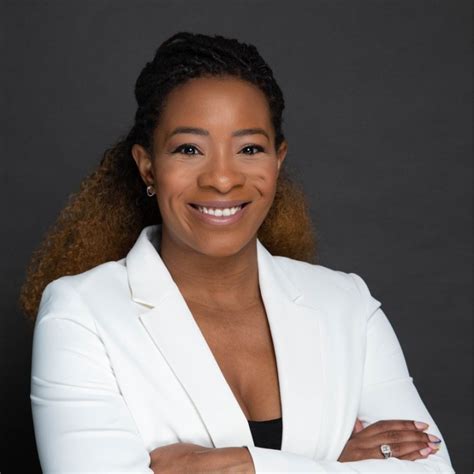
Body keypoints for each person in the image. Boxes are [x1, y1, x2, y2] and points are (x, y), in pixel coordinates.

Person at [20, 32, 455, 473]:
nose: (223, 179)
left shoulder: (347, 305)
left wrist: (246, 465)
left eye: (249, 149)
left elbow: (433, 468)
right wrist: (331, 464)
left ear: (277, 160)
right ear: (148, 165)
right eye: (189, 149)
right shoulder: (81, 313)